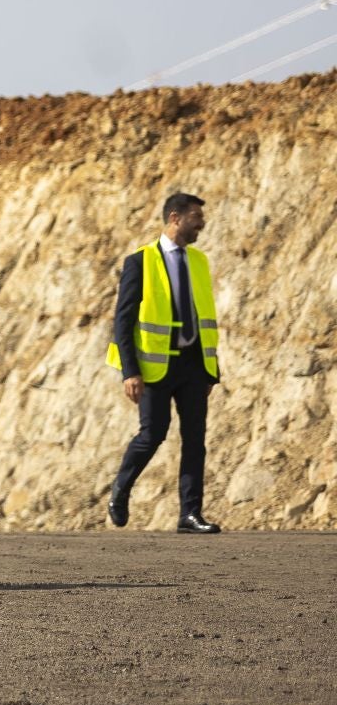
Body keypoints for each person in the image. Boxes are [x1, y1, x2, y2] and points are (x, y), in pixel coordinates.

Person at [105, 192, 223, 533]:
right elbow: (123, 321)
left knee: (195, 439)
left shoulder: (199, 261)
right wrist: (130, 371)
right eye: (196, 217)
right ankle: (121, 490)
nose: (202, 223)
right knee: (152, 434)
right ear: (175, 218)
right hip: (154, 367)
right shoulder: (140, 261)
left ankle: (190, 514)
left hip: (193, 365)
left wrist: (211, 371)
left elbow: (204, 317)